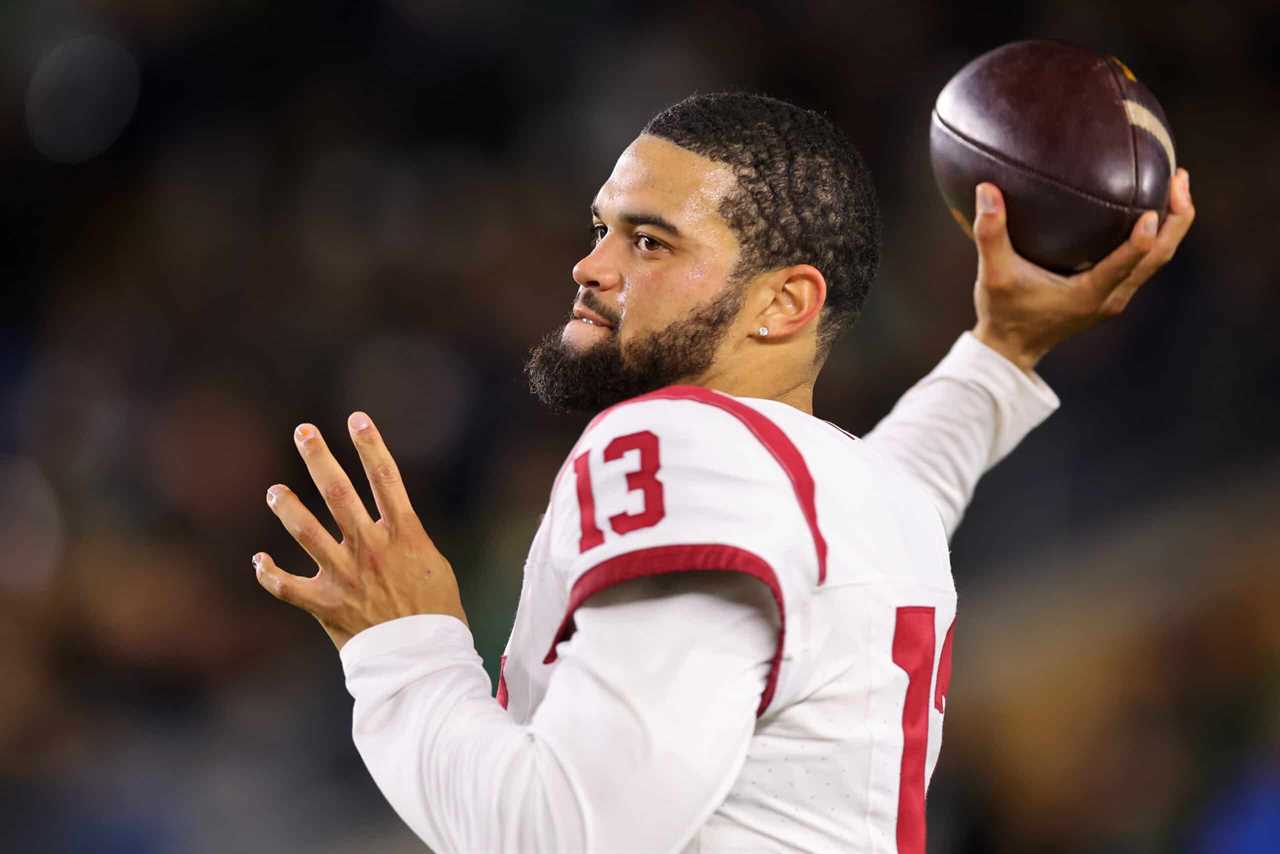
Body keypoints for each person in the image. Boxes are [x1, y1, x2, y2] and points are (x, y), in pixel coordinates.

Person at [252, 93, 1194, 852]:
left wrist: (402, 648)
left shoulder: (679, 440)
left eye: (649, 241)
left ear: (784, 303)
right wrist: (1000, 352)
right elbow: (916, 475)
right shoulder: (855, 494)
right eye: (602, 227)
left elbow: (567, 835)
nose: (588, 266)